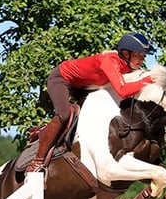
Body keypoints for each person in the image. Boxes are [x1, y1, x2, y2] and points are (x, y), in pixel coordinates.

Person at [26, 32, 156, 173]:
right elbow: (123, 90)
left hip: (84, 86)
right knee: (64, 115)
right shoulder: (109, 62)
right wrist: (148, 80)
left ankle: (46, 132)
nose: (142, 60)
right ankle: (37, 162)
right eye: (139, 55)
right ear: (125, 53)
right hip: (61, 79)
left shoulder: (128, 66)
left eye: (144, 56)